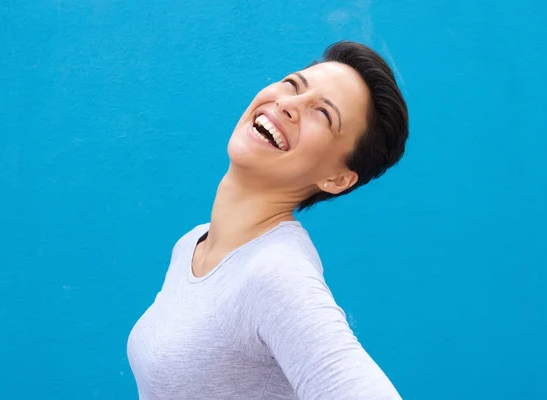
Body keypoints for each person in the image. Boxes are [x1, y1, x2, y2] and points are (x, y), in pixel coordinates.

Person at [127, 40, 409, 399]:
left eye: (323, 114)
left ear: (337, 179)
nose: (288, 104)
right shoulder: (193, 245)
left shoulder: (275, 273)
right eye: (293, 85)